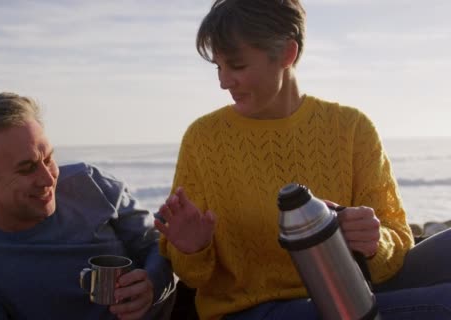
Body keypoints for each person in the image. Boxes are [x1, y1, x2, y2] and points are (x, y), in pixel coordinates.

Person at [154, 1, 451, 319]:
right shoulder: (204, 140)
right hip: (254, 311)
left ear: (287, 54)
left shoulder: (351, 127)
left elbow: (396, 246)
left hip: (350, 292)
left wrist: (376, 241)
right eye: (218, 67)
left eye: (237, 66)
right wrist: (191, 248)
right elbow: (193, 277)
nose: (224, 81)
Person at [0, 92, 175, 320]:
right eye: (26, 168)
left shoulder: (89, 183)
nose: (48, 179)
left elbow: (155, 242)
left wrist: (153, 285)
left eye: (49, 159)